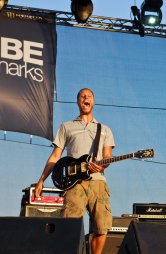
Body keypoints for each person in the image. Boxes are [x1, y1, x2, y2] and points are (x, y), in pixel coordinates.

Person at [34, 88, 115, 254]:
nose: (86, 98)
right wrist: (41, 180)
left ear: (93, 101)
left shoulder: (105, 129)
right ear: (78, 101)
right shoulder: (66, 127)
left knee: (102, 226)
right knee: (70, 226)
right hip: (73, 184)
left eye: (89, 96)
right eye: (82, 96)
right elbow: (55, 156)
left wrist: (101, 165)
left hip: (98, 182)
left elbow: (107, 156)